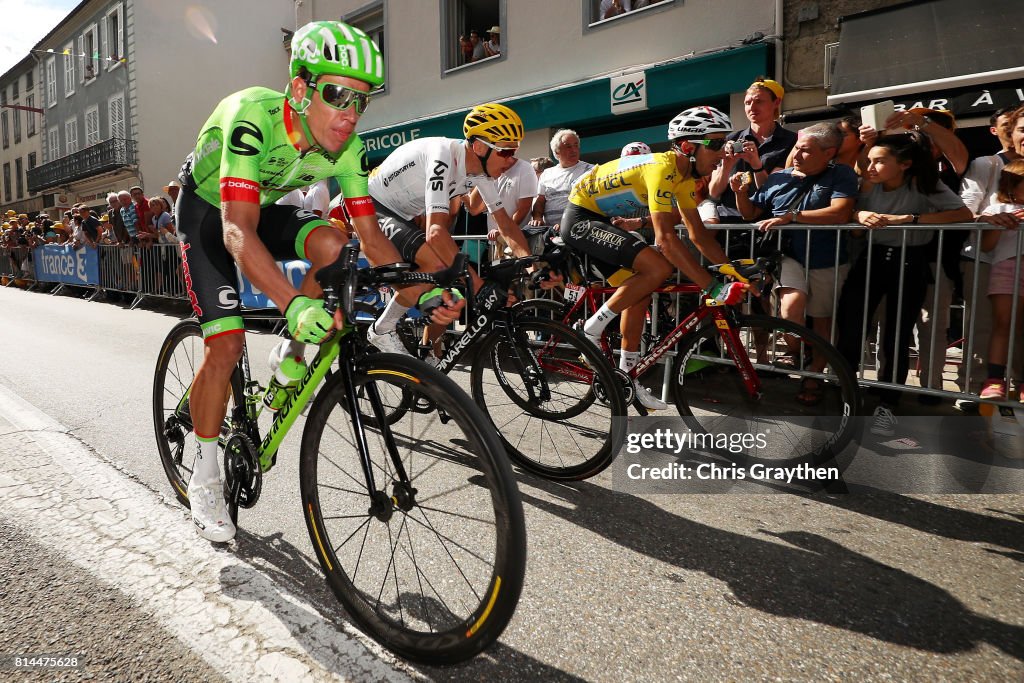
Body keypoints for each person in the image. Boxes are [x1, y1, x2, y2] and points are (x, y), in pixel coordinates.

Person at [175, 21, 464, 543]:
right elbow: (236, 230)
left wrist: (426, 295)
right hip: (209, 213)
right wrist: (293, 303)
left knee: (337, 246)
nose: (351, 113)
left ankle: (289, 353)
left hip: (260, 208)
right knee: (226, 343)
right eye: (338, 95)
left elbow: (372, 239)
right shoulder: (252, 117)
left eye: (362, 100)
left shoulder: (347, 148)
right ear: (302, 89)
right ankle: (205, 473)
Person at [560, 106, 745, 409]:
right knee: (658, 266)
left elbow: (697, 233)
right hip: (580, 219)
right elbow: (666, 239)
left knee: (642, 290)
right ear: (688, 147)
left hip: (602, 220)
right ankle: (590, 328)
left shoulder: (684, 179)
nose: (723, 153)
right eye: (715, 144)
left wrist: (730, 270)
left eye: (725, 144)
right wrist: (712, 287)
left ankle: (626, 376)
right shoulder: (662, 168)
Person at [366, 103, 546, 359]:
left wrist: (532, 267)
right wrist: (480, 285)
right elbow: (436, 231)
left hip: (404, 215)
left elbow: (504, 223)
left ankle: (430, 353)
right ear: (480, 147)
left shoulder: (481, 174)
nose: (511, 160)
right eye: (505, 152)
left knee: (451, 289)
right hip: (373, 205)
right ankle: (381, 329)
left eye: (514, 151)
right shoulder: (442, 157)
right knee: (437, 264)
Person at [834, 133, 972, 437]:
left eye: (879, 161)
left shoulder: (926, 184)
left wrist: (909, 219)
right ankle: (844, 393)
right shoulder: (867, 185)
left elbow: (964, 214)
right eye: (869, 160)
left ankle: (888, 402)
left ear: (905, 164)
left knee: (898, 332)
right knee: (852, 323)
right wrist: (861, 214)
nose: (870, 166)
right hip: (870, 259)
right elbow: (853, 215)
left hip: (911, 260)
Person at [734, 123, 858, 404]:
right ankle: (804, 357)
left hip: (828, 259)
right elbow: (752, 212)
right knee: (789, 313)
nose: (797, 155)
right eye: (797, 149)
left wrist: (792, 217)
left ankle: (812, 375)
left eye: (805, 150)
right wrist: (740, 193)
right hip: (787, 256)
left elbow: (840, 213)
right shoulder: (779, 178)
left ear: (829, 153)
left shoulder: (842, 175)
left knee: (822, 321)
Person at [957, 105, 1023, 406]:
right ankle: (976, 387)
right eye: (1021, 129)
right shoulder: (988, 164)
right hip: (989, 259)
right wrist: (989, 219)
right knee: (987, 325)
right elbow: (966, 208)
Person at [707, 78, 797, 225]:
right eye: (747, 103)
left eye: (759, 101)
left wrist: (756, 165)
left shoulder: (791, 142)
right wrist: (727, 165)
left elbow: (775, 192)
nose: (752, 107)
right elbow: (714, 192)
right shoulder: (730, 139)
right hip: (728, 223)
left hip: (766, 224)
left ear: (776, 103)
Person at [977, 160, 1024, 402]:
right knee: (1003, 322)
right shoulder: (998, 209)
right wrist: (1000, 225)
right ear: (1012, 186)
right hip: (1006, 266)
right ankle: (995, 379)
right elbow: (986, 246)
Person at [530, 129, 594, 229]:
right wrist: (537, 218)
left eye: (576, 145)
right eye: (568, 146)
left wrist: (567, 224)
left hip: (578, 228)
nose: (574, 150)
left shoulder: (591, 171)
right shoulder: (547, 173)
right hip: (549, 232)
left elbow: (592, 202)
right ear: (557, 151)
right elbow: (540, 200)